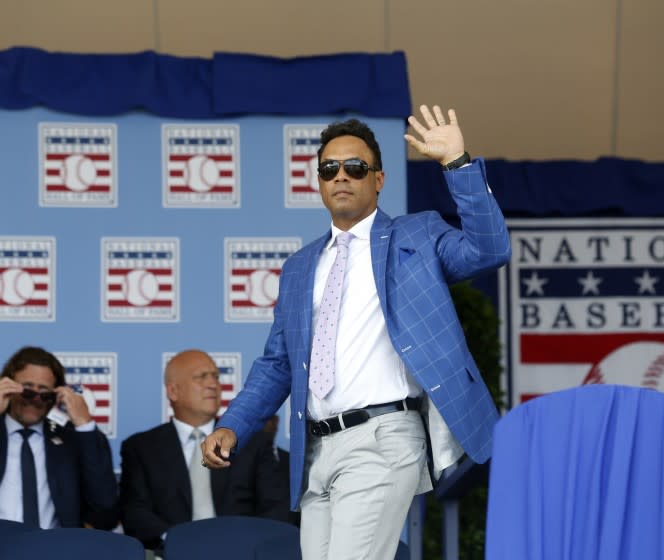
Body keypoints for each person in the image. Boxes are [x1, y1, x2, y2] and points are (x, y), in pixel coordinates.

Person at [202, 104, 511, 559]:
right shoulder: (300, 266)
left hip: (382, 437)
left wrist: (457, 164)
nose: (341, 176)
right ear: (320, 182)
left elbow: (490, 249)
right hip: (315, 452)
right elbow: (277, 365)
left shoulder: (418, 234)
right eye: (330, 169)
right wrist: (233, 425)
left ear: (378, 179)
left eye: (355, 167)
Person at [119, 349, 295, 554]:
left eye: (216, 377)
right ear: (173, 391)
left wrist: (247, 543)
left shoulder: (251, 441)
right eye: (201, 377)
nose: (213, 385)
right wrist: (180, 542)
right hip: (171, 553)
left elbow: (276, 508)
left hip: (242, 553)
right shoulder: (141, 448)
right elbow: (135, 513)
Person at [0, 346, 118, 530]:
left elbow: (105, 507)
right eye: (27, 391)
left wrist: (84, 425)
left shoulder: (69, 441)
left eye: (44, 393)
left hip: (55, 550)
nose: (35, 399)